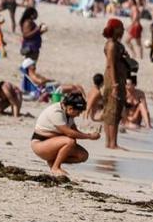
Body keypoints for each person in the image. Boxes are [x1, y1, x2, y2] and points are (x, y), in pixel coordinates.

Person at [30, 93, 100, 178]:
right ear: (70, 108)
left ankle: (53, 161)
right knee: (70, 141)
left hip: (53, 143)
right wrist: (90, 137)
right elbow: (69, 133)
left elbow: (75, 131)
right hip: (40, 144)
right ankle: (55, 167)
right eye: (79, 112)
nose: (78, 115)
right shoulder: (56, 112)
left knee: (83, 156)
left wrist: (90, 133)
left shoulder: (68, 113)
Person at [102, 18, 134, 150]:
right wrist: (115, 85)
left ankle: (112, 142)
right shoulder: (111, 45)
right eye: (121, 28)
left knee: (116, 109)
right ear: (115, 29)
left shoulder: (116, 44)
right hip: (113, 80)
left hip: (119, 79)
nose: (123, 30)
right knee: (112, 110)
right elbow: (110, 65)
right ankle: (111, 143)